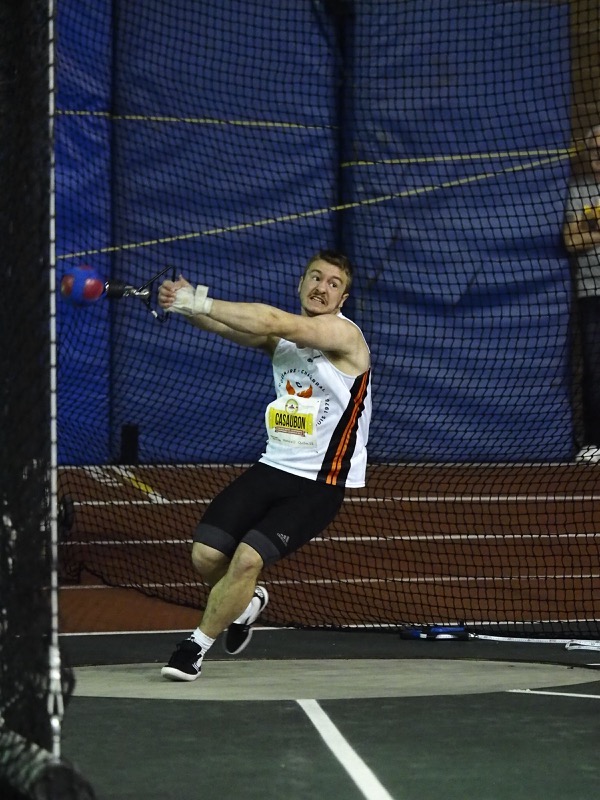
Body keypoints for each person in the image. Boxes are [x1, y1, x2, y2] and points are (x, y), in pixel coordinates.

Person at [157, 250, 372, 681]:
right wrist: (183, 304)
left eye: (332, 283)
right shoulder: (284, 341)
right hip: (271, 468)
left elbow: (273, 321)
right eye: (315, 277)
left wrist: (200, 301)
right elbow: (228, 325)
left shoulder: (343, 336)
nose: (321, 287)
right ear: (300, 283)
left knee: (247, 558)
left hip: (319, 484)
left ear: (342, 299)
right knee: (204, 556)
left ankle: (194, 647)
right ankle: (249, 602)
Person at [563, 125, 600, 462]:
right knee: (594, 368)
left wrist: (592, 229)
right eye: (593, 151)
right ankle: (594, 442)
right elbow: (572, 240)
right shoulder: (578, 192)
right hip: (592, 294)